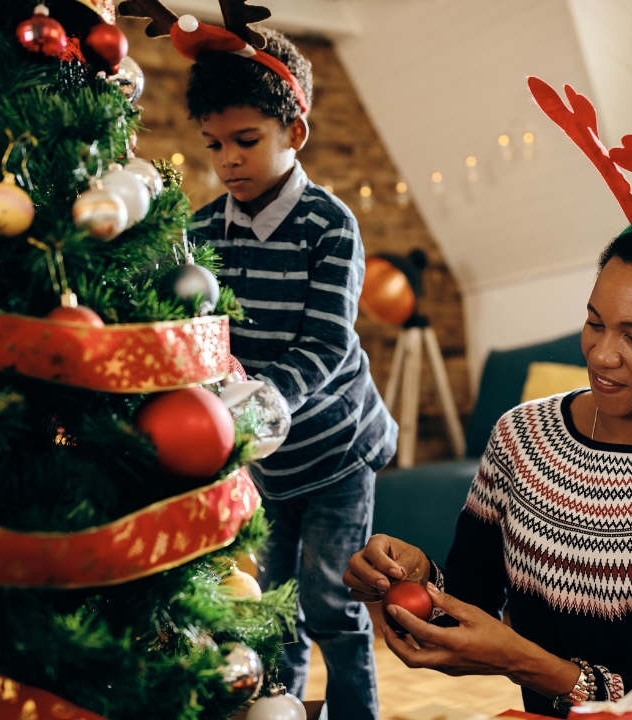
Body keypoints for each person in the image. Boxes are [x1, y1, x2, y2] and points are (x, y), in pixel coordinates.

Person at [344, 82, 632, 720]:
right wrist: (413, 581)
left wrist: (529, 664)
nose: (602, 353)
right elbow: (467, 598)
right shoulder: (521, 440)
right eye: (594, 321)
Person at [183, 16, 396, 720]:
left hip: (336, 452)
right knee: (275, 605)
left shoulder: (329, 225)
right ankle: (283, 711)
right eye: (215, 144)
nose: (229, 160)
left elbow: (331, 344)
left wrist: (262, 399)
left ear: (293, 134)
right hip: (264, 461)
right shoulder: (201, 231)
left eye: (247, 141)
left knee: (330, 599)